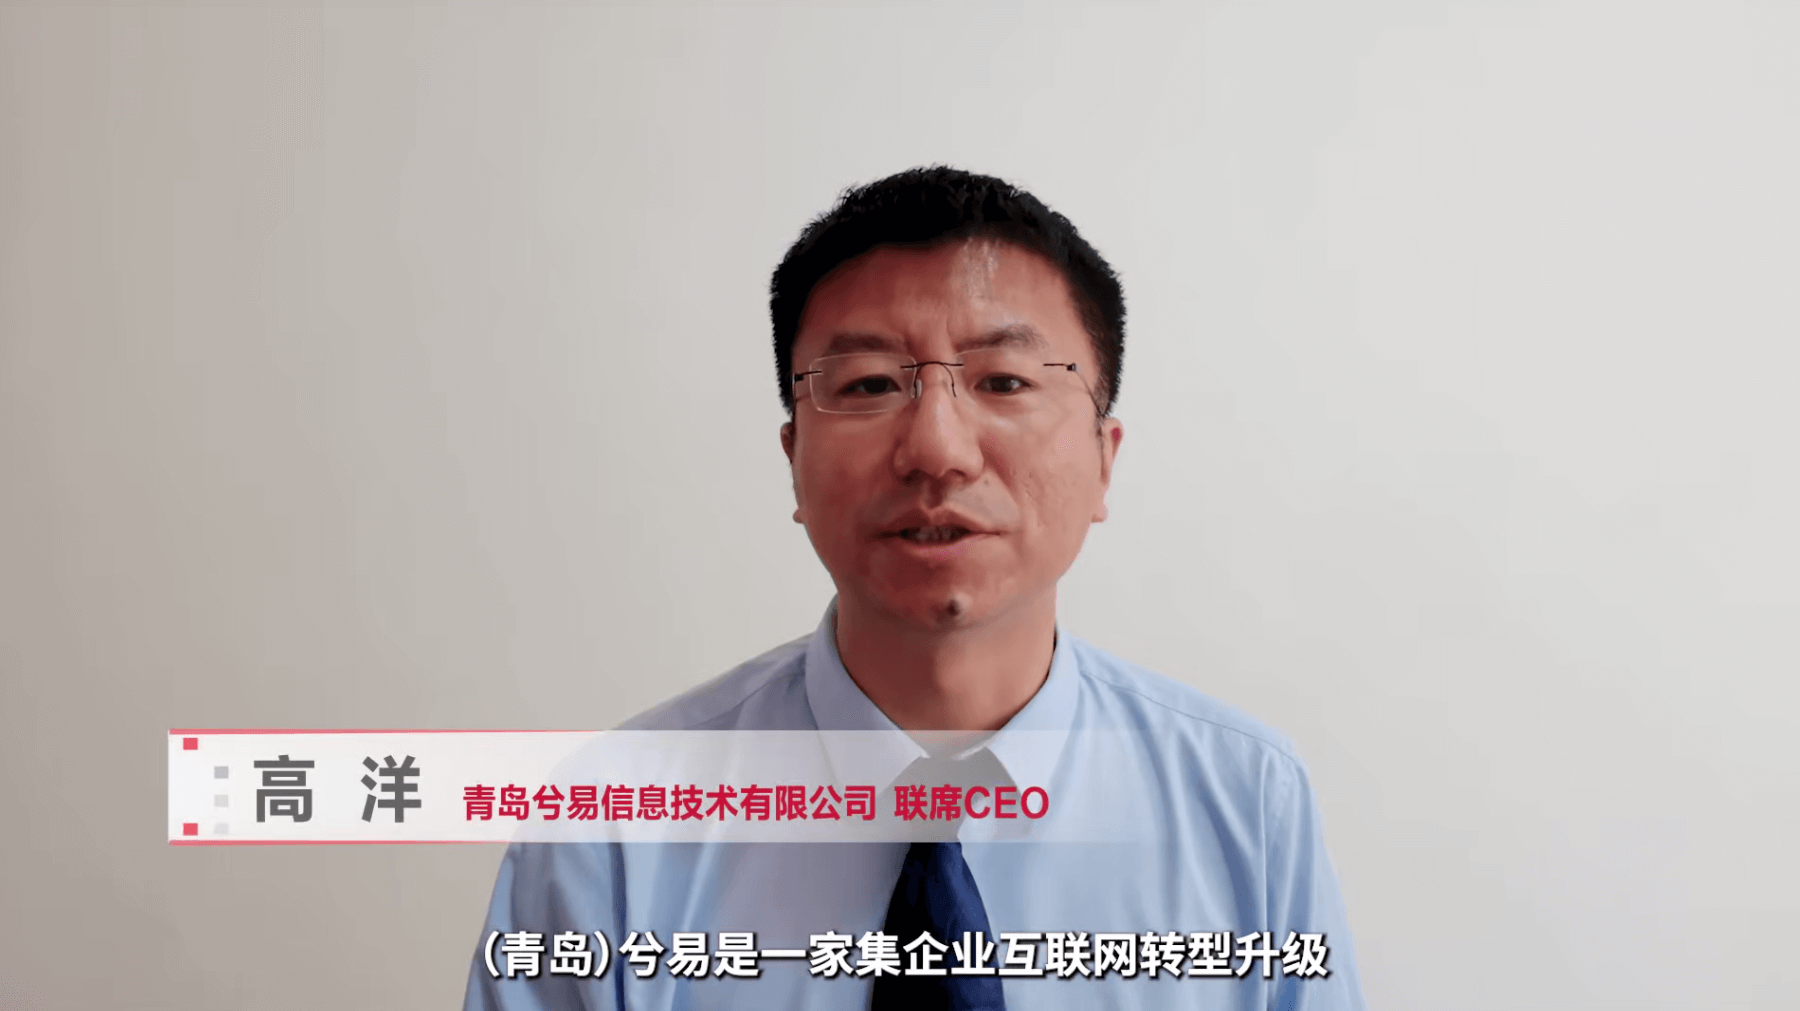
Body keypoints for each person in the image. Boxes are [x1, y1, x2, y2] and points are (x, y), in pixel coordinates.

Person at [464, 166, 1367, 1009]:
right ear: (794, 459)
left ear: (1104, 458)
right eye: (868, 384)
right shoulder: (612, 830)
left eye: (1004, 379)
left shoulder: (1248, 804)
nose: (937, 448)